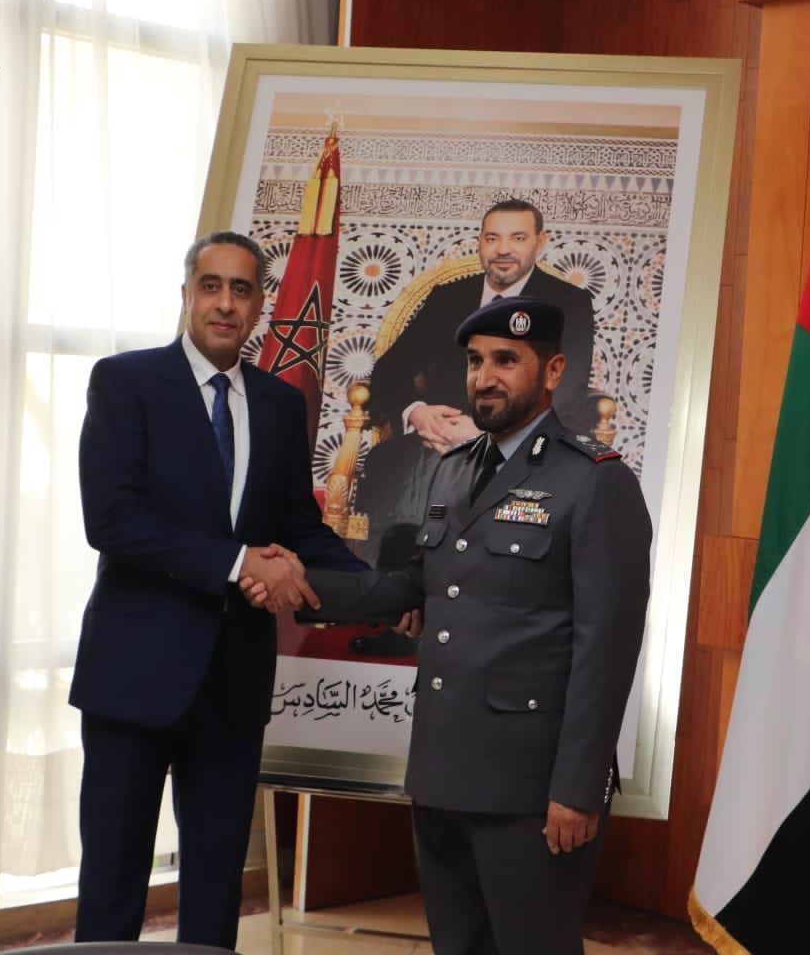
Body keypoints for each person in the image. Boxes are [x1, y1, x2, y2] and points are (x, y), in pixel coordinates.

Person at [248, 295, 652, 953]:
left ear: (552, 371)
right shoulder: (454, 470)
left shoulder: (595, 482)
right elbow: (412, 588)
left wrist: (579, 790)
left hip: (530, 787)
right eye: (474, 362)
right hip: (441, 772)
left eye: (506, 361)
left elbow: (606, 648)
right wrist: (294, 580)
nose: (484, 377)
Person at [69, 230, 365, 949]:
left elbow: (298, 526)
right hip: (133, 679)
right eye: (211, 286)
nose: (225, 304)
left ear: (260, 304)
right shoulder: (126, 382)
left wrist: (382, 590)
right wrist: (239, 563)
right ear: (186, 296)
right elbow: (111, 521)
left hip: (231, 684)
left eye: (241, 289)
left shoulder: (278, 404)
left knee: (215, 885)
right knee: (113, 883)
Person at [355, 199, 596, 570]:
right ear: (480, 243)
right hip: (432, 442)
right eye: (492, 238)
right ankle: (397, 587)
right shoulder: (448, 298)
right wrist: (418, 414)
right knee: (405, 473)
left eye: (517, 238)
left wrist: (489, 436)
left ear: (540, 242)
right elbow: (391, 369)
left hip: (518, 448)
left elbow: (566, 387)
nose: (503, 249)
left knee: (458, 478)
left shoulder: (569, 303)